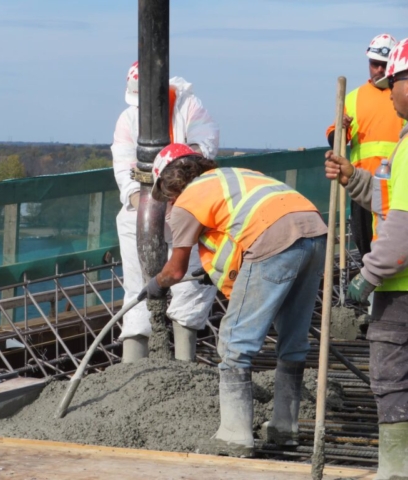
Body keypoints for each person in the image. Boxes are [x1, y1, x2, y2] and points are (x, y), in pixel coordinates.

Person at [140, 143, 327, 457]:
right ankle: (284, 427)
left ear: (171, 182)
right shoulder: (232, 176)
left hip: (273, 239)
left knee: (234, 342)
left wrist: (156, 285)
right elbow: (239, 231)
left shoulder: (187, 202)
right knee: (293, 339)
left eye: (168, 195)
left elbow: (175, 270)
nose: (170, 202)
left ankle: (235, 435)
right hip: (314, 230)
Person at [325, 38, 408, 480]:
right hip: (395, 263)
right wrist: (352, 177)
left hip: (401, 287)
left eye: (393, 79)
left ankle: (395, 471)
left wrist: (365, 279)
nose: (388, 89)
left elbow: (401, 231)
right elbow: (391, 199)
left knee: (392, 377)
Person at [111, 61, 220, 361]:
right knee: (139, 292)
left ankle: (185, 367)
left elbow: (204, 147)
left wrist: (176, 186)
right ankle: (134, 369)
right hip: (142, 214)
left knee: (189, 290)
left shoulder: (189, 107)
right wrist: (138, 199)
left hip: (188, 204)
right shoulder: (128, 119)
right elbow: (123, 165)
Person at [326, 34, 403, 260]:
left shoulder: (401, 95)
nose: (379, 70)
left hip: (396, 186)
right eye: (374, 64)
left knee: (394, 245)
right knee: (365, 244)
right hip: (361, 185)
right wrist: (340, 129)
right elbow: (334, 138)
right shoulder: (353, 97)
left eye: (384, 64)